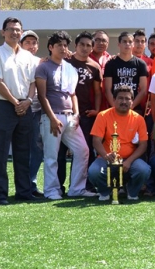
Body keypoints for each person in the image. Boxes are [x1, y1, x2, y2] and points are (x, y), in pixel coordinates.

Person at [0, 17, 41, 204]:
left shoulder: (28, 57)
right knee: (0, 152)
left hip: (25, 107)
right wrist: (14, 102)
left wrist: (27, 101)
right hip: (4, 106)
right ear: (3, 32)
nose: (14, 33)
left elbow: (33, 82)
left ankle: (24, 192)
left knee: (23, 151)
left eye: (18, 30)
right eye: (10, 29)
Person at [35, 31, 92, 200]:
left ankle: (77, 189)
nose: (63, 48)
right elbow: (42, 96)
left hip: (70, 118)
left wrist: (76, 114)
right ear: (50, 47)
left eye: (65, 45)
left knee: (83, 150)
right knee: (52, 156)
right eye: (59, 45)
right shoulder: (43, 67)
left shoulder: (69, 68)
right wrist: (52, 118)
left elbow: (72, 94)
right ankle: (51, 191)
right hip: (52, 118)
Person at [88, 85, 151, 201]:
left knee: (143, 170)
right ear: (114, 100)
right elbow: (96, 141)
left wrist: (130, 161)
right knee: (94, 171)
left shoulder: (139, 119)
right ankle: (105, 191)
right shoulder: (103, 115)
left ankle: (131, 191)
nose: (124, 101)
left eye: (127, 99)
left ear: (132, 101)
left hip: (130, 160)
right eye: (120, 98)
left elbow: (143, 145)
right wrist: (105, 156)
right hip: (107, 158)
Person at [65, 31, 102, 174]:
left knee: (85, 149)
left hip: (85, 113)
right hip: (65, 110)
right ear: (75, 45)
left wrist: (97, 110)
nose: (84, 48)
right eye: (81, 44)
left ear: (92, 48)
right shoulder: (66, 61)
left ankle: (85, 184)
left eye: (88, 45)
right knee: (61, 152)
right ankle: (60, 187)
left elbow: (98, 92)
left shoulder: (94, 66)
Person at [19, 30, 45, 193]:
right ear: (21, 44)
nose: (31, 46)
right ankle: (22, 185)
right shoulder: (15, 60)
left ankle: (31, 183)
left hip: (37, 111)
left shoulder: (41, 62)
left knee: (37, 148)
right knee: (21, 149)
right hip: (20, 109)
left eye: (34, 43)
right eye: (27, 42)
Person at [103, 31, 149, 115]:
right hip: (114, 108)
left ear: (133, 44)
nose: (127, 44)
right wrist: (115, 107)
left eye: (130, 42)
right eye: (124, 41)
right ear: (119, 44)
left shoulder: (141, 64)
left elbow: (143, 90)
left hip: (134, 108)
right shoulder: (110, 64)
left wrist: (132, 105)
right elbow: (107, 90)